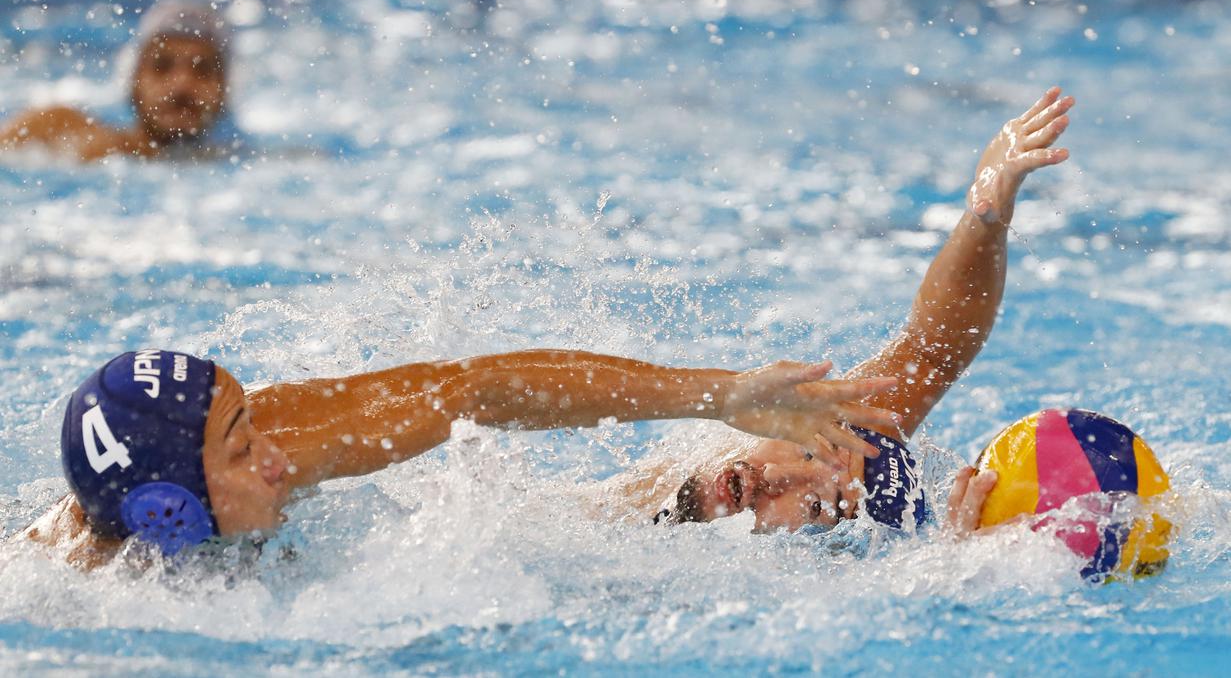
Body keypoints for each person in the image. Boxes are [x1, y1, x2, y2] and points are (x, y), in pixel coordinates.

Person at [634, 87, 1075, 535]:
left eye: (815, 508)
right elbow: (932, 351)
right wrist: (983, 220)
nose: (773, 478)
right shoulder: (717, 441)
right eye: (809, 449)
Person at [20, 347, 898, 568]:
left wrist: (716, 392)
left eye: (255, 422)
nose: (281, 456)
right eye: (243, 450)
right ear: (168, 515)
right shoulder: (73, 612)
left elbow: (470, 389)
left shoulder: (287, 437)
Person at [0, 0, 229, 161]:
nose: (182, 84)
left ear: (224, 88)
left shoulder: (233, 162)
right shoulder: (60, 130)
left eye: (203, 71)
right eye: (162, 67)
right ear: (134, 80)